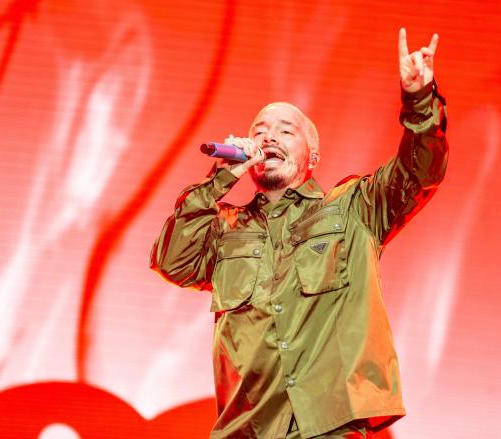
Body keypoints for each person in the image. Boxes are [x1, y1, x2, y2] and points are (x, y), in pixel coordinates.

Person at [150, 28, 448, 438]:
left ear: (313, 157)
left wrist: (419, 100)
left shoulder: (355, 207)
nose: (268, 136)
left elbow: (420, 170)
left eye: (285, 130)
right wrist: (218, 179)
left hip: (331, 426)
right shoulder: (225, 229)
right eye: (259, 131)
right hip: (247, 429)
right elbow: (171, 261)